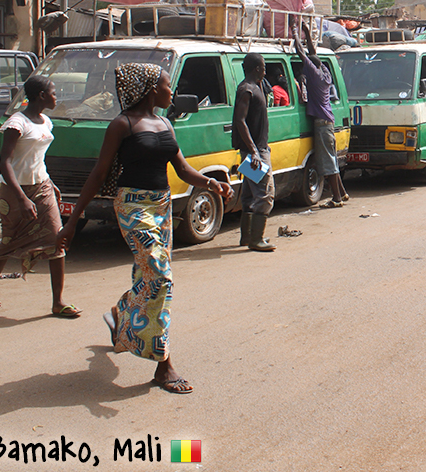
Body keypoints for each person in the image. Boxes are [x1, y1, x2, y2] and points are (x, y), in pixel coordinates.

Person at [56, 63, 232, 394]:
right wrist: (72, 220)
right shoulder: (122, 125)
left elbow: (181, 168)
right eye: (168, 86)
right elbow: (98, 173)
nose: (172, 92)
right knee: (160, 277)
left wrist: (211, 182)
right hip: (133, 206)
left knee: (149, 276)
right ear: (152, 89)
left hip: (162, 206)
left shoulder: (164, 122)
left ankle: (120, 315)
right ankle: (164, 364)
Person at [0, 76, 79, 317]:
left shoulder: (46, 122)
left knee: (57, 239)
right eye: (54, 92)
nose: (57, 97)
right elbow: (4, 164)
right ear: (41, 96)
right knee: (9, 239)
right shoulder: (16, 123)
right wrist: (22, 198)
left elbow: (37, 159)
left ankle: (58, 301)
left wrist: (51, 183)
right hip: (15, 191)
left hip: (42, 187)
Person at [295, 26, 349, 209]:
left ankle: (336, 199)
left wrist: (295, 34)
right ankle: (342, 192)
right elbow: (311, 53)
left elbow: (302, 53)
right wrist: (307, 33)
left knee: (328, 163)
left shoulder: (315, 75)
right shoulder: (324, 72)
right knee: (332, 158)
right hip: (329, 121)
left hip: (321, 124)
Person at [233, 53, 277, 251]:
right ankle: (256, 239)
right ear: (256, 68)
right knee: (266, 194)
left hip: (257, 149)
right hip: (254, 152)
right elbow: (240, 121)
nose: (265, 70)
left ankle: (247, 237)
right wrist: (254, 152)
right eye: (263, 67)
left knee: (250, 194)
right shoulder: (246, 89)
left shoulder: (257, 86)